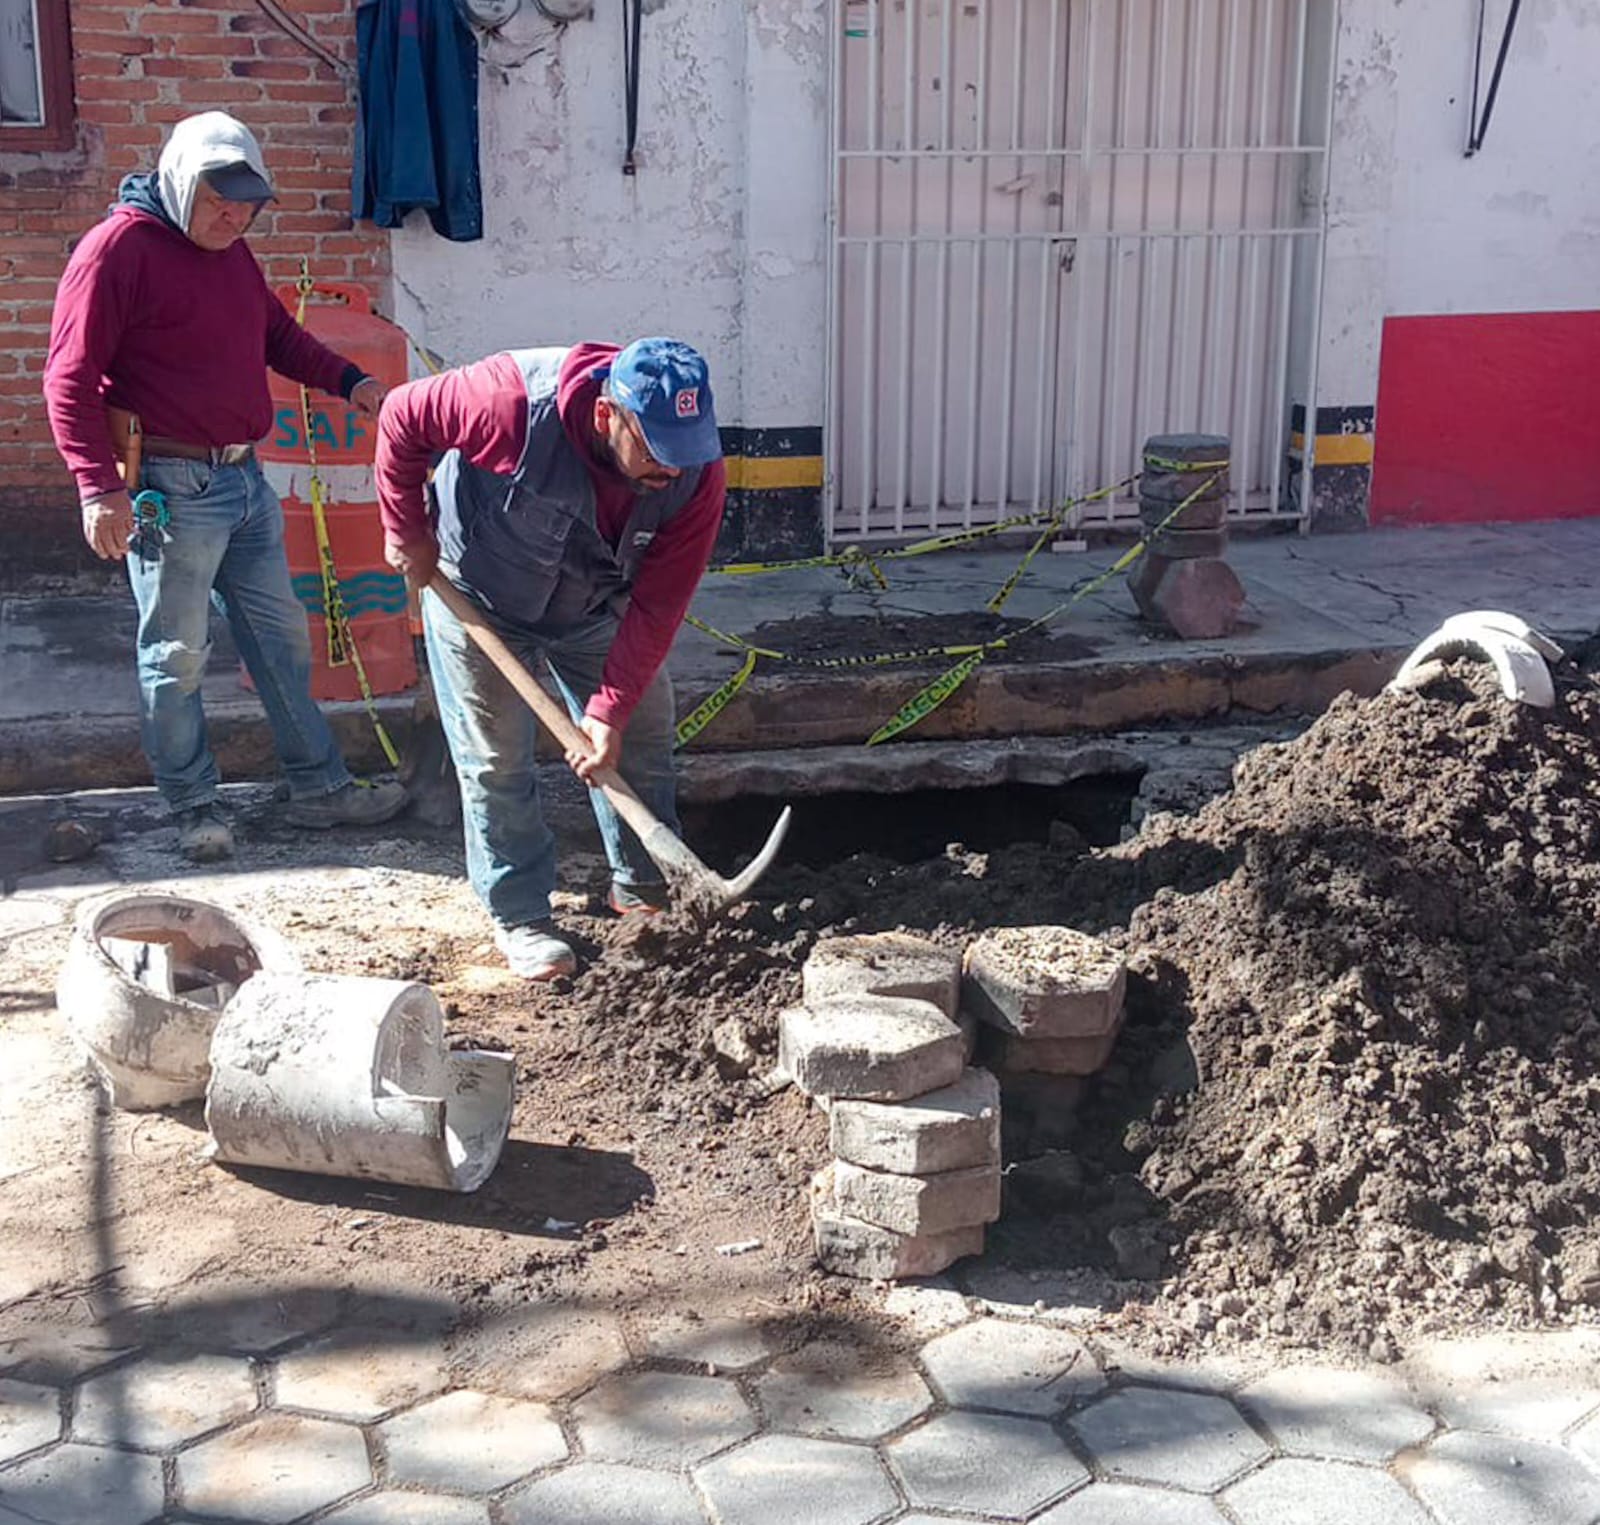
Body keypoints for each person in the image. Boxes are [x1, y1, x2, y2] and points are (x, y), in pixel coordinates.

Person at [43, 111, 407, 863]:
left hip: (245, 479)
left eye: (246, 203)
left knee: (280, 642)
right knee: (175, 654)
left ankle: (319, 789)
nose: (232, 215)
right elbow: (68, 377)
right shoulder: (117, 252)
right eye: (217, 199)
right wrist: (96, 487)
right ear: (180, 182)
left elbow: (277, 336)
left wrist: (354, 382)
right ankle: (193, 804)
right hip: (171, 489)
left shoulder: (232, 254)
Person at [374, 339, 726, 980]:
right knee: (496, 759)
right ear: (606, 416)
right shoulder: (506, 404)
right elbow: (401, 415)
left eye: (685, 452)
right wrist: (406, 530)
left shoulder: (696, 476)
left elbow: (659, 604)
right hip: (478, 592)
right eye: (655, 452)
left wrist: (609, 709)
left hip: (597, 604)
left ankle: (644, 892)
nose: (671, 472)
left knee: (641, 734)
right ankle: (521, 914)